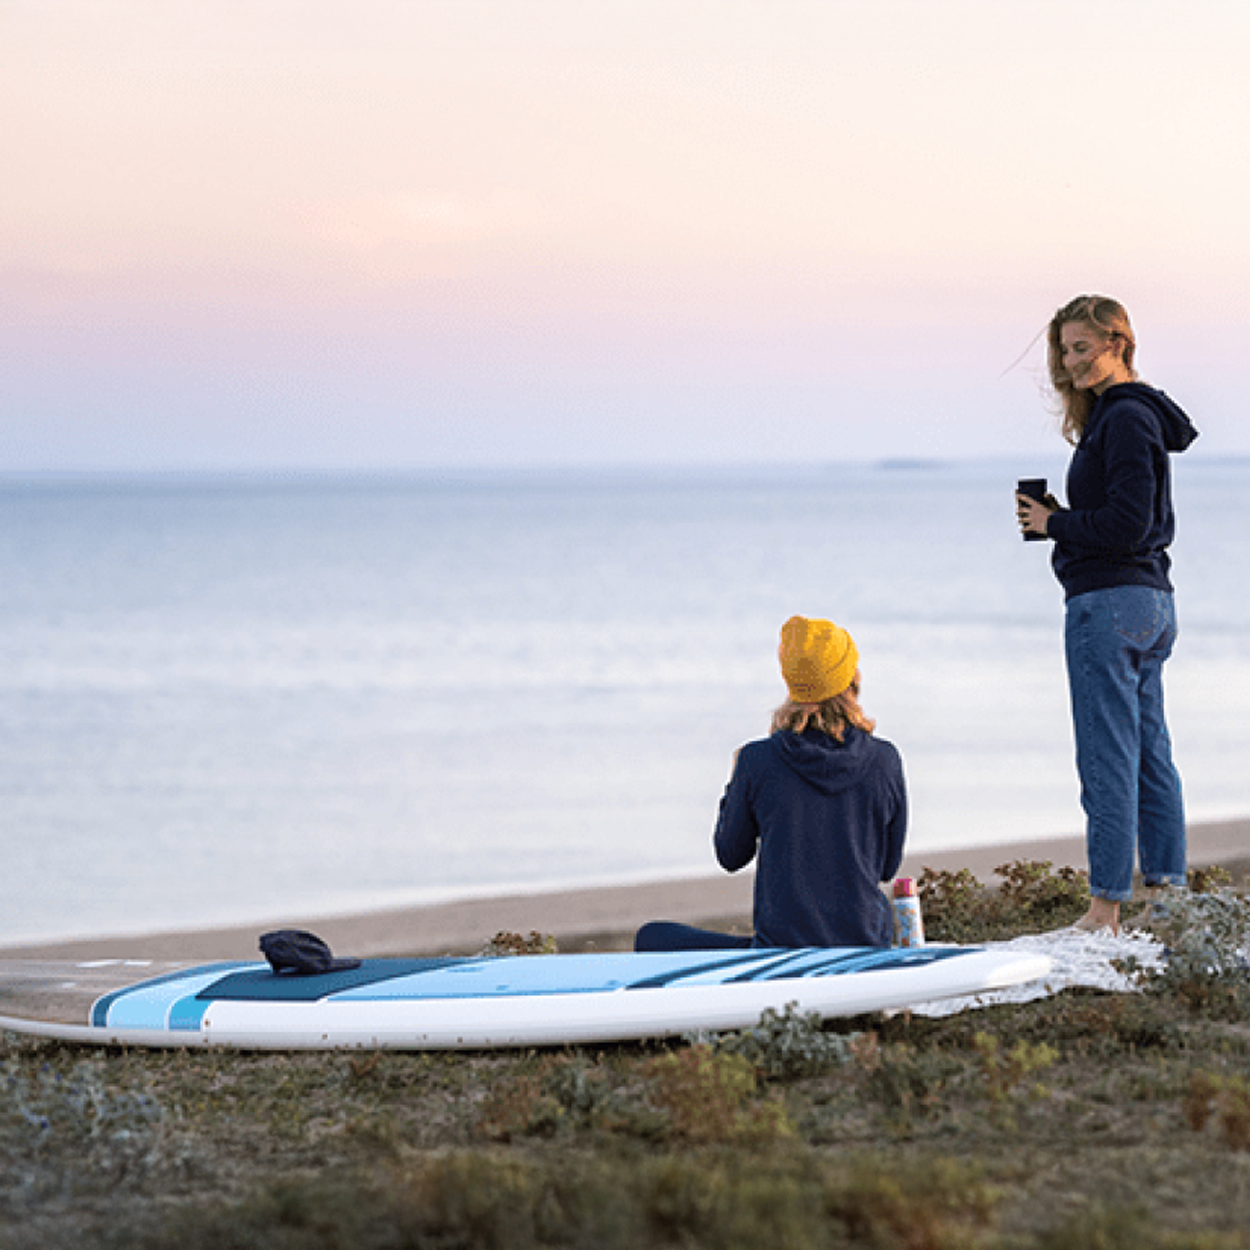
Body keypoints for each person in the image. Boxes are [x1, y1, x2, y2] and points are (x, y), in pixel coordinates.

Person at [1016, 295, 1198, 935]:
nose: (1070, 363)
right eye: (1064, 352)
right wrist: (1064, 523)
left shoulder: (1123, 420)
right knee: (1150, 751)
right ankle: (1168, 893)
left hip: (1111, 605)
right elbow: (1134, 518)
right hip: (1148, 603)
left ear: (1118, 342)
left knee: (1107, 757)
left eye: (1082, 348)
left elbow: (1127, 523)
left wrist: (1054, 522)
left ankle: (1105, 908)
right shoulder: (1133, 417)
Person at [634, 615, 908, 951]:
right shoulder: (885, 759)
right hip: (865, 947)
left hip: (780, 953)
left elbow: (730, 855)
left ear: (791, 681)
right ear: (852, 676)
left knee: (650, 937)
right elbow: (887, 868)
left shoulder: (757, 760)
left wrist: (736, 781)